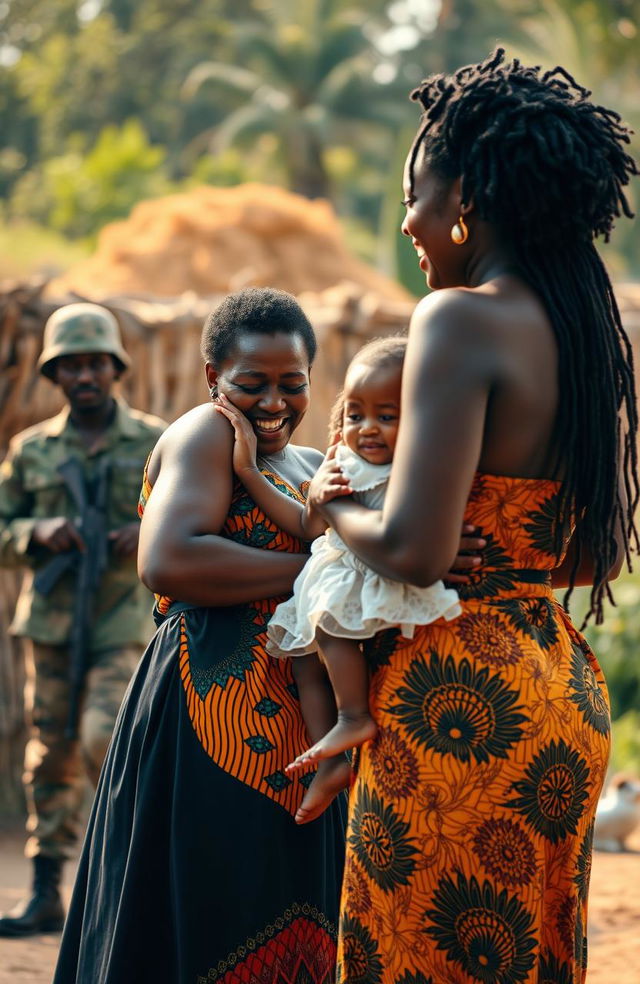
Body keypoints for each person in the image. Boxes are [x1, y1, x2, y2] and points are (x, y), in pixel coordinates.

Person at [307, 50, 639, 984]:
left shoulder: (456, 323)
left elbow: (415, 552)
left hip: (455, 708)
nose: (410, 222)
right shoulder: (581, 330)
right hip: (558, 694)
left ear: (463, 200)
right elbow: (586, 556)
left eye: (416, 195)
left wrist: (336, 510)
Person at [53, 288, 482, 984]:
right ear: (212, 381)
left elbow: (378, 561)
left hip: (301, 735)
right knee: (211, 909)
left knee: (290, 910)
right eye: (251, 384)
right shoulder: (205, 434)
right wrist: (321, 574)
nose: (274, 402)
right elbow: (169, 559)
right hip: (207, 718)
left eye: (293, 384)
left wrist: (405, 564)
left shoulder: (317, 469)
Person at [215, 335, 460, 825]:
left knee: (329, 630)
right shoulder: (338, 463)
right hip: (330, 578)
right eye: (355, 415)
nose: (367, 429)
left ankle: (353, 717)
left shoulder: (418, 468)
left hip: (370, 583)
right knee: (306, 662)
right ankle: (331, 760)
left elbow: (415, 532)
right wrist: (250, 471)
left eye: (387, 417)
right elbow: (309, 526)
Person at [0, 302, 166, 937]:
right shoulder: (33, 451)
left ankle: (129, 876)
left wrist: (144, 533)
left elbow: (197, 511)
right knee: (51, 754)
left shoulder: (155, 440)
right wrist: (38, 532)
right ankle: (46, 890)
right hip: (52, 619)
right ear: (54, 375)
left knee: (107, 736)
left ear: (115, 368)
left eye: (96, 363)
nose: (85, 376)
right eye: (71, 366)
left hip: (123, 618)